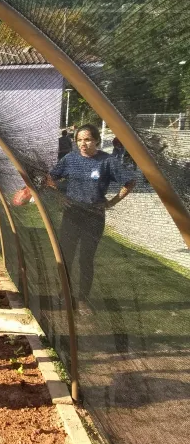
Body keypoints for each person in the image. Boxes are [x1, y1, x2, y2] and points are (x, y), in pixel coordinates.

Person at [49, 124, 135, 312]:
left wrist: (111, 202)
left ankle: (82, 300)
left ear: (96, 140)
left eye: (87, 139)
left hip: (94, 217)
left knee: (86, 259)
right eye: (79, 140)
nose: (83, 144)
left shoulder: (107, 161)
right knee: (66, 257)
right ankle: (64, 294)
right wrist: (59, 196)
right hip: (71, 214)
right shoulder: (70, 159)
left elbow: (130, 182)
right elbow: (50, 177)